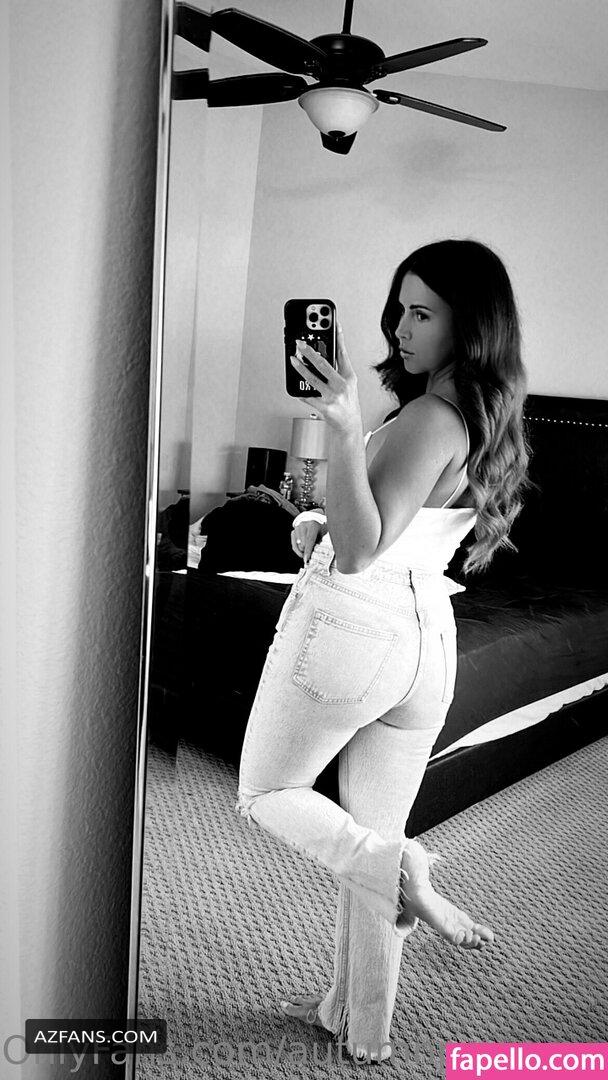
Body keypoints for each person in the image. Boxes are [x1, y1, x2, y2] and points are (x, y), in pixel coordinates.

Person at [234, 238, 530, 1064]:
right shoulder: (479, 416)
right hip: (426, 636)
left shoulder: (430, 416)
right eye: (400, 308)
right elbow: (396, 530)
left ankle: (402, 869)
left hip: (357, 625)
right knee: (370, 833)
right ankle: (361, 1025)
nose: (400, 328)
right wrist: (320, 522)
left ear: (470, 325)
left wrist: (343, 428)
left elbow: (363, 553)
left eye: (422, 313)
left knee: (265, 791)